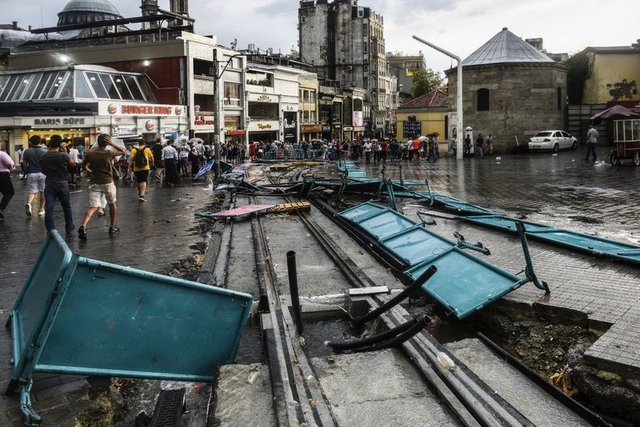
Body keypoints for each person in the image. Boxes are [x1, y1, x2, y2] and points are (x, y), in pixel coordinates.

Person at [78, 133, 125, 240]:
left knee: (93, 206)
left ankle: (83, 226)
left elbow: (83, 166)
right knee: (112, 204)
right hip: (107, 181)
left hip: (95, 182)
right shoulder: (109, 152)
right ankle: (112, 226)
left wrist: (90, 171)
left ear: (97, 142)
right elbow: (123, 151)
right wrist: (112, 143)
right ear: (107, 143)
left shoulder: (90, 153)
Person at [39, 135, 76, 234]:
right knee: (66, 206)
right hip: (62, 184)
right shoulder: (63, 155)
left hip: (49, 183)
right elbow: (73, 164)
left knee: (49, 207)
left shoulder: (43, 156)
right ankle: (69, 226)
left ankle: (50, 230)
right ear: (59, 144)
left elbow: (42, 169)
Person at [22, 135, 48, 218]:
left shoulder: (27, 151)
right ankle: (41, 210)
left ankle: (29, 204)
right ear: (40, 142)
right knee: (43, 191)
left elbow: (24, 163)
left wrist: (26, 171)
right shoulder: (44, 151)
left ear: (30, 142)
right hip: (43, 173)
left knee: (32, 191)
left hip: (32, 173)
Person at [0, 140, 16, 220]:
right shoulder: (2, 154)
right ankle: (1, 208)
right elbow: (10, 164)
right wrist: (12, 168)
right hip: (2, 175)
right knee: (9, 192)